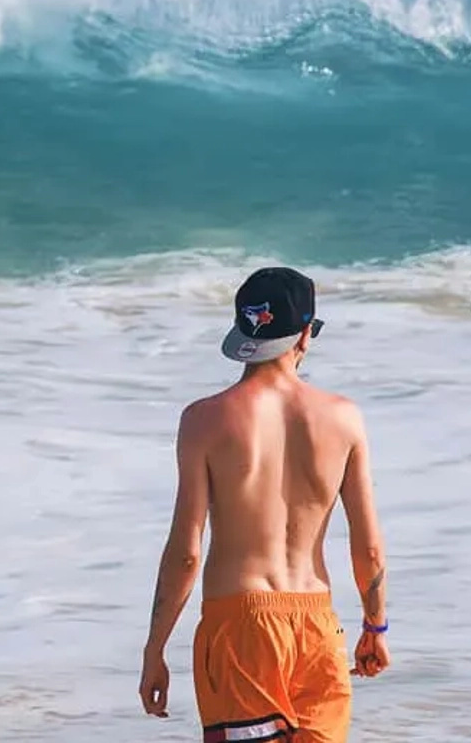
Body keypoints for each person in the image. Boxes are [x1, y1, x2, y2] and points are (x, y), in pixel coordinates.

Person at [137, 266, 389, 742]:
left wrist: (155, 649)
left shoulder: (203, 421)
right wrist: (375, 625)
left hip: (241, 626)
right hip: (317, 624)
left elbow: (186, 552)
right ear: (306, 335)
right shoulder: (345, 419)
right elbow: (369, 547)